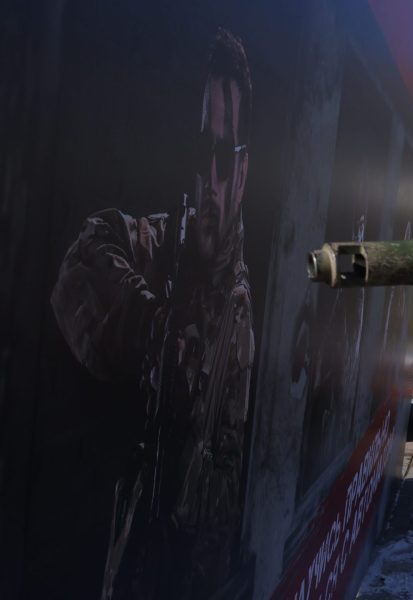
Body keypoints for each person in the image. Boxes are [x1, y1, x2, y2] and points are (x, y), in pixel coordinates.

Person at [50, 28, 255, 599]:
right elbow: (84, 259)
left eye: (225, 156)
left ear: (244, 171)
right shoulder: (160, 249)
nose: (212, 180)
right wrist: (157, 329)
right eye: (202, 154)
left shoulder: (242, 299)